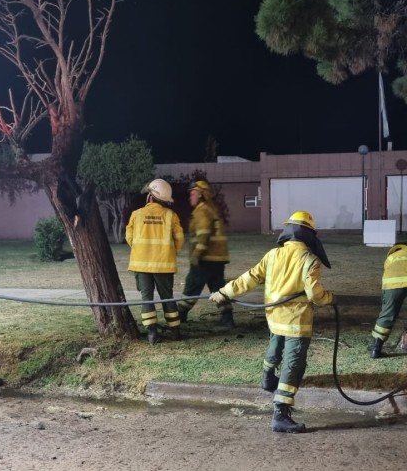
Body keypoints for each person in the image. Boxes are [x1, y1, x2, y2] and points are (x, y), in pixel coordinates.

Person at [210, 210, 334, 433]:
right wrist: (330, 298)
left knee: (275, 346)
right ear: (309, 235)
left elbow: (250, 277)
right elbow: (315, 295)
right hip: (296, 321)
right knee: (293, 364)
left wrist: (224, 292)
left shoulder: (273, 255)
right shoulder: (310, 260)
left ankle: (267, 378)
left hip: (274, 317)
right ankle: (281, 414)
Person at [125, 178, 185, 345]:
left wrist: (140, 250)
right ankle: (175, 331)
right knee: (168, 297)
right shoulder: (171, 216)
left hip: (141, 265)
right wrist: (170, 253)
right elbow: (179, 239)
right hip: (164, 265)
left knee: (147, 298)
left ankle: (152, 333)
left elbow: (129, 238)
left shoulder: (136, 215)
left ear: (150, 197)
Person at [178, 180, 232, 326]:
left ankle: (180, 315)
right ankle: (227, 318)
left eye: (193, 193)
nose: (190, 197)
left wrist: (196, 254)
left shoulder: (202, 210)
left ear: (201, 195)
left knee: (192, 286)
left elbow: (203, 234)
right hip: (217, 258)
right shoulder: (211, 209)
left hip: (205, 259)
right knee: (218, 289)